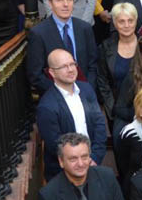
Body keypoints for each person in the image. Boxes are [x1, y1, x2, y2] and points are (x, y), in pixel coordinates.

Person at [37, 49, 107, 180]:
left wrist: (94, 158)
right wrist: (81, 163)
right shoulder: (46, 106)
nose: (70, 69)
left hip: (93, 163)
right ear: (52, 72)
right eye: (64, 66)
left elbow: (99, 124)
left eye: (72, 64)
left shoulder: (86, 89)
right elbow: (56, 145)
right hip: (65, 174)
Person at [26, 0, 99, 94]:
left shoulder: (84, 28)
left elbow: (93, 64)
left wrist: (87, 89)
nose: (65, 4)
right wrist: (65, 93)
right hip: (56, 96)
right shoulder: (38, 33)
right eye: (60, 0)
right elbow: (35, 75)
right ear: (50, 3)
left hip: (86, 93)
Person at [97, 2, 138, 119]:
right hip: (118, 112)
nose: (126, 25)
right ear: (115, 23)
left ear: (136, 21)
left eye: (130, 21)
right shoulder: (105, 47)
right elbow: (102, 81)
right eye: (121, 21)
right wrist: (113, 109)